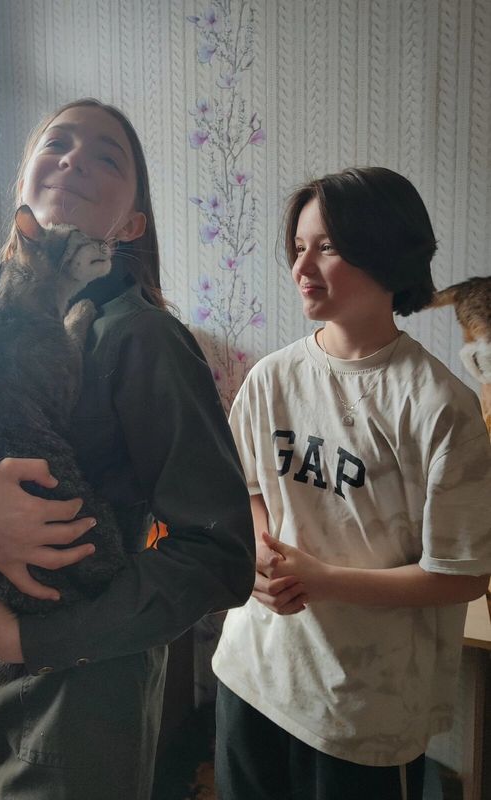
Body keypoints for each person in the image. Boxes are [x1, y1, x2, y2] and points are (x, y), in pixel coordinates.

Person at [0, 98, 255, 800]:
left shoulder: (146, 340)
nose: (73, 160)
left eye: (106, 156)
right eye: (57, 144)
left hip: (78, 677)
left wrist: (28, 641)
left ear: (129, 226)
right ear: (22, 188)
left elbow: (219, 556)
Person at [212, 167, 491, 800]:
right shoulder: (270, 379)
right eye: (298, 247)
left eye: (327, 247)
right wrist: (258, 549)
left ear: (386, 253)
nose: (301, 266)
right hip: (252, 672)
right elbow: (246, 488)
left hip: (362, 710)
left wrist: (323, 580)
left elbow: (463, 575)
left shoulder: (439, 406)